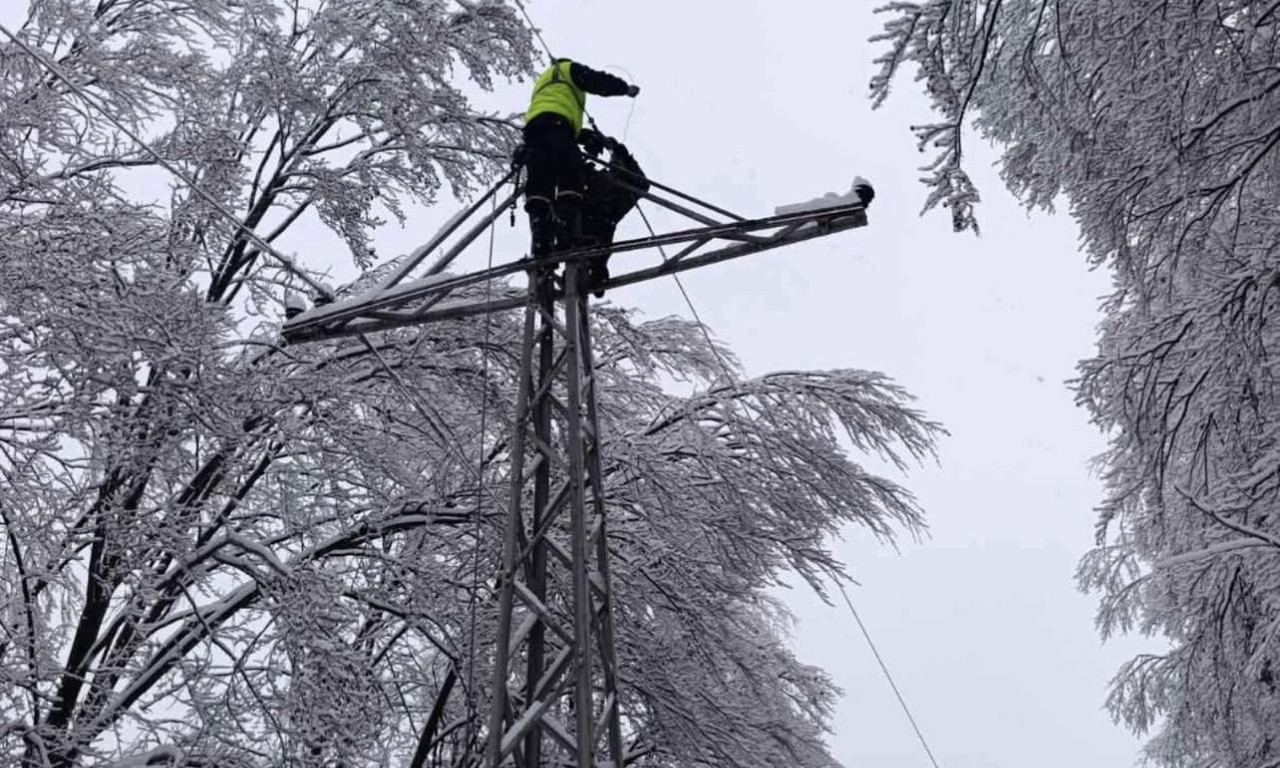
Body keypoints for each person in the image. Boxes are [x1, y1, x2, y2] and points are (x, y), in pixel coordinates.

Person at [522, 58, 639, 258]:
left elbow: (552, 115)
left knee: (540, 183)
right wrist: (624, 89)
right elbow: (597, 80)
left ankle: (541, 242)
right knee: (570, 174)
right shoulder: (567, 69)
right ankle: (567, 235)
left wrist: (585, 136)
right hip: (559, 124)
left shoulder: (543, 81)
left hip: (534, 130)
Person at [573, 128, 649, 298]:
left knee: (595, 254)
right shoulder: (590, 180)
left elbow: (641, 184)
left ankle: (595, 273)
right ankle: (594, 273)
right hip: (584, 230)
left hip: (594, 229)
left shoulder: (611, 188)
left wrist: (621, 155)